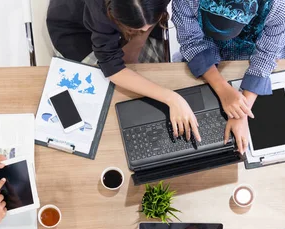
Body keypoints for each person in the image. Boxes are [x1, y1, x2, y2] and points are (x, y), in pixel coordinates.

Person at [47, 0, 201, 141]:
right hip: (77, 29)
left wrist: (138, 42)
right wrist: (172, 98)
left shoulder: (145, 15)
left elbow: (147, 21)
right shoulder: (98, 9)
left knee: (151, 78)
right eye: (138, 28)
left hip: (133, 15)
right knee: (102, 108)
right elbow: (111, 66)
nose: (144, 29)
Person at [172, 0, 285, 152]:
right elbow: (191, 41)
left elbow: (266, 56)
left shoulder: (278, 7)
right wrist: (223, 89)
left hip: (260, 38)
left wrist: (241, 113)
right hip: (207, 43)